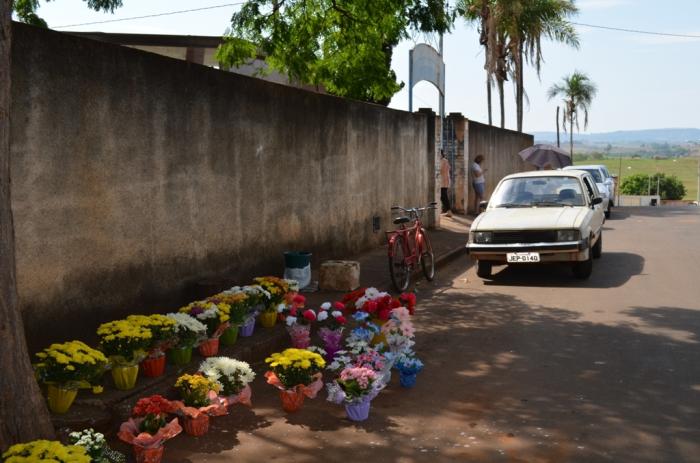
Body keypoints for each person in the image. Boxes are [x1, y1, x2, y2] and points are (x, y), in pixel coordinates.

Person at [439, 150, 452, 217]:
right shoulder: (442, 160)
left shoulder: (444, 161)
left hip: (444, 181)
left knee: (444, 196)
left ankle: (449, 211)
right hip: (442, 181)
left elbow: (442, 170)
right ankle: (445, 210)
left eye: (439, 153)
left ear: (442, 154)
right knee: (442, 196)